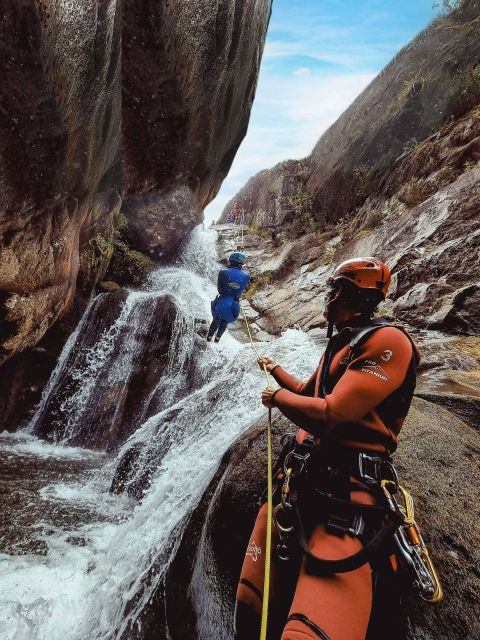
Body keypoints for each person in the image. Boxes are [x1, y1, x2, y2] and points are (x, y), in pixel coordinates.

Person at [235, 257, 421, 640]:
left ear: (348, 293)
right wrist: (277, 373)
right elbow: (310, 393)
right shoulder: (345, 341)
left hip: (346, 501)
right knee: (248, 600)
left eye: (332, 290)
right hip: (303, 484)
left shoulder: (388, 342)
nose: (327, 298)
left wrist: (277, 399)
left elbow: (333, 414)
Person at [207, 252, 250, 343]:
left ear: (231, 261)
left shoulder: (223, 273)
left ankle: (209, 337)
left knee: (216, 320)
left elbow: (220, 289)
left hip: (222, 302)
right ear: (241, 264)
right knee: (225, 321)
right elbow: (241, 289)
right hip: (234, 305)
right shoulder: (246, 276)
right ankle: (217, 338)